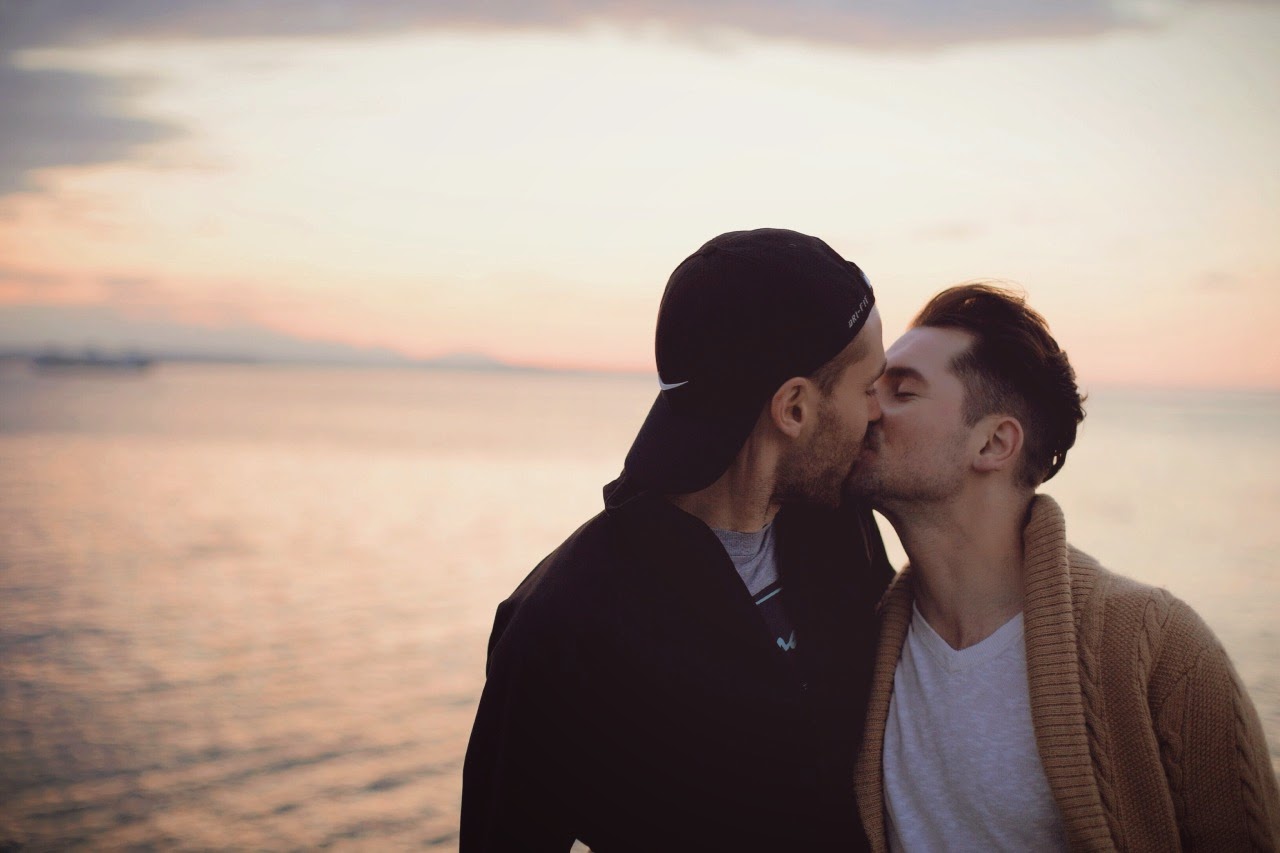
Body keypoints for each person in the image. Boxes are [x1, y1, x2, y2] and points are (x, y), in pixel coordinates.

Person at [461, 228, 894, 852]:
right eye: (868, 387)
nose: (879, 411)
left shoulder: (842, 533)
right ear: (794, 408)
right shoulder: (563, 626)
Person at [848, 283, 1280, 851]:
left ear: (994, 444)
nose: (867, 408)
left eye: (902, 391)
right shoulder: (859, 641)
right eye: (872, 387)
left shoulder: (1160, 649)